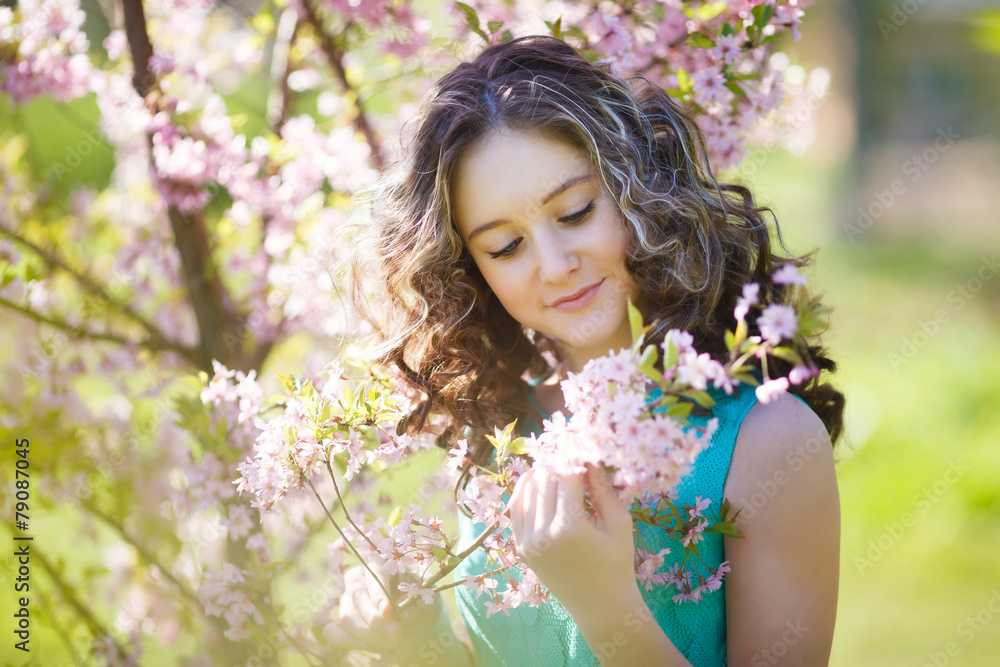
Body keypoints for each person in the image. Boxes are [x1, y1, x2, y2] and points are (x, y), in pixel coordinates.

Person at [333, 34, 844, 666]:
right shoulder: (499, 434)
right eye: (505, 247)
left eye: (575, 212)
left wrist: (606, 606)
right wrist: (418, 641)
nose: (554, 266)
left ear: (641, 193)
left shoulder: (769, 442)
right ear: (470, 272)